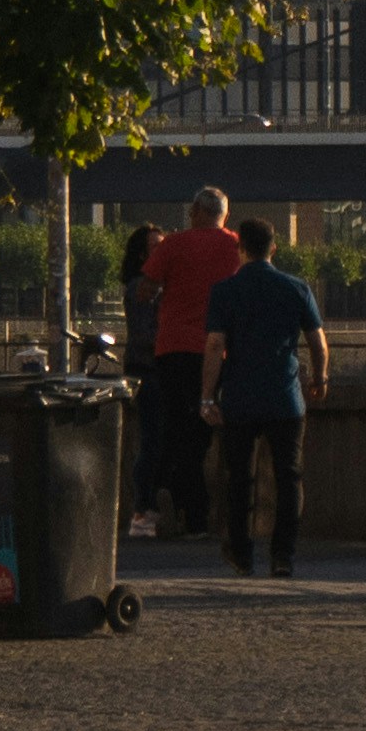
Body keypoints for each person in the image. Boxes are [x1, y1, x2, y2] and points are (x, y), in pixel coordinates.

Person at [199, 215, 329, 579]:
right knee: (289, 478)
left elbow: (214, 344)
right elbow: (317, 342)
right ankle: (283, 556)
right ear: (274, 247)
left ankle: (241, 553)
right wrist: (319, 377)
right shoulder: (297, 288)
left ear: (240, 248)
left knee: (239, 478)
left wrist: (208, 397)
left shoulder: (225, 291)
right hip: (286, 398)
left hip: (239, 398)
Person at [144, 186, 241, 538]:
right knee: (200, 432)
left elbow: (146, 287)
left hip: (173, 349)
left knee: (175, 427)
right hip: (217, 353)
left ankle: (175, 501)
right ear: (224, 214)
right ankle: (188, 509)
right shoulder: (236, 247)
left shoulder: (174, 244)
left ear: (197, 211)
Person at [119, 224, 165, 539]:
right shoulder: (142, 288)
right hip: (148, 370)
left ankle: (147, 508)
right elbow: (142, 335)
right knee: (152, 440)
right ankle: (143, 509)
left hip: (150, 368)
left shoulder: (150, 286)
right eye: (155, 248)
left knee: (155, 439)